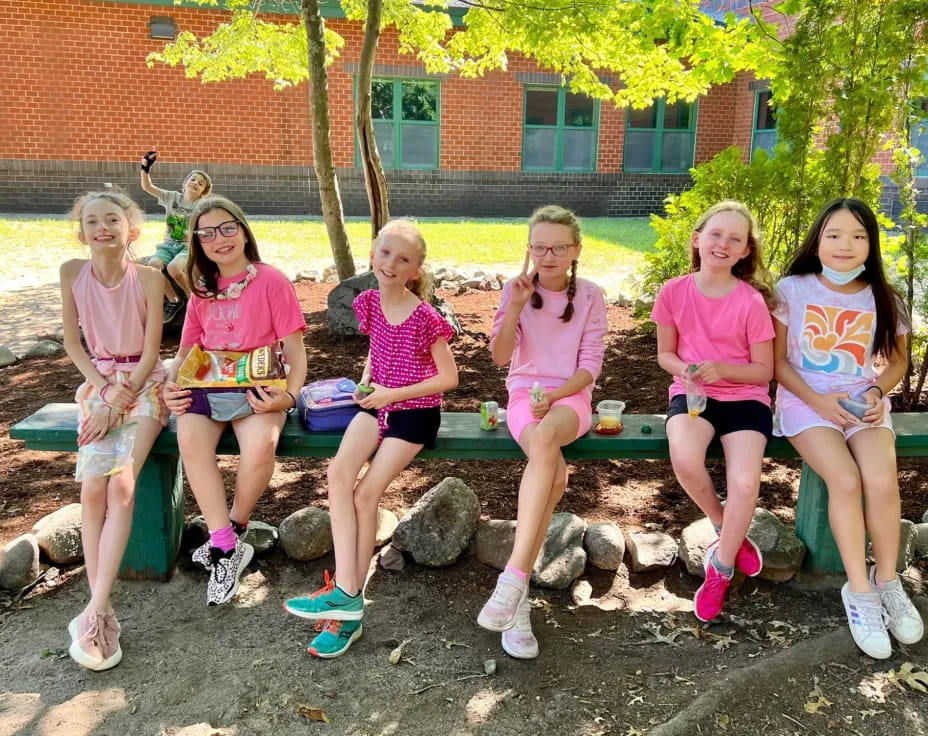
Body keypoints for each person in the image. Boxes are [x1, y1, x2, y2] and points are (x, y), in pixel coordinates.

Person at [283, 219, 457, 658]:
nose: (391, 263)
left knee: (365, 496)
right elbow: (377, 350)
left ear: (416, 269)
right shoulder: (368, 303)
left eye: (403, 258)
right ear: (373, 255)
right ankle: (347, 593)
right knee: (338, 475)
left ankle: (346, 605)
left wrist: (391, 394)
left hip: (414, 414)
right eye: (385, 253)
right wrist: (365, 382)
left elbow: (449, 378)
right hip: (374, 404)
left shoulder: (426, 318)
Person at [773, 197, 923, 658]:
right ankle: (858, 591)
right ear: (817, 240)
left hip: (862, 402)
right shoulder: (791, 290)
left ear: (871, 244)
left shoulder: (884, 295)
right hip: (805, 402)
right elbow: (777, 363)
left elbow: (897, 363)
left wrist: (876, 393)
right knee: (845, 479)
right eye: (834, 235)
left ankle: (887, 581)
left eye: (858, 236)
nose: (845, 245)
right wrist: (817, 399)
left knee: (881, 481)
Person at [162, 196, 307, 606]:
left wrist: (288, 397)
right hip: (206, 384)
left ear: (243, 230)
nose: (219, 239)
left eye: (227, 227)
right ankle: (225, 546)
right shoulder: (201, 289)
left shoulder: (272, 281)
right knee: (190, 441)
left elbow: (296, 352)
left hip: (259, 382)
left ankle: (233, 531)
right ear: (197, 242)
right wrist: (170, 386)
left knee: (261, 446)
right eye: (207, 233)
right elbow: (185, 352)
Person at [477, 205, 607, 659]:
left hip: (570, 399)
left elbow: (590, 367)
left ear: (576, 250)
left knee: (549, 437)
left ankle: (512, 580)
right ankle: (518, 602)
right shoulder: (515, 291)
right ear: (529, 249)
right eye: (539, 247)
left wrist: (555, 397)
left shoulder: (590, 295)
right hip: (522, 398)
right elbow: (500, 357)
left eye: (558, 248)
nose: (547, 256)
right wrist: (514, 305)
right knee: (554, 475)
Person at [60, 188, 169, 671]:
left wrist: (121, 397)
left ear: (132, 229)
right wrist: (104, 393)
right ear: (81, 232)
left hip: (145, 386)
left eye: (112, 219)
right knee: (92, 491)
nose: (102, 227)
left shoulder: (149, 277)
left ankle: (98, 612)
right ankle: (97, 608)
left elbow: (152, 352)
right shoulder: (71, 273)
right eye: (91, 221)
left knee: (122, 486)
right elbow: (72, 342)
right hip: (99, 384)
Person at [652, 201, 775, 622]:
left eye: (735, 238)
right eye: (716, 234)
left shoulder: (751, 302)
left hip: (746, 399)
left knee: (745, 482)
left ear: (745, 251)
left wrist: (723, 369)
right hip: (693, 395)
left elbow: (764, 370)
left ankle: (720, 567)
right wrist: (686, 370)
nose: (723, 243)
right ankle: (727, 529)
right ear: (697, 239)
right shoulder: (673, 291)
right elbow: (665, 354)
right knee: (686, 460)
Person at [139, 148, 212, 322]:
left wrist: (191, 235)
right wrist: (145, 167)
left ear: (203, 191)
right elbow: (147, 187)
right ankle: (174, 300)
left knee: (174, 268)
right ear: (185, 183)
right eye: (193, 179)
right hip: (167, 246)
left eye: (200, 183)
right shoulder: (172, 197)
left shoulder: (201, 206)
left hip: (187, 247)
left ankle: (192, 299)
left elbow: (206, 230)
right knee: (153, 265)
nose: (195, 183)